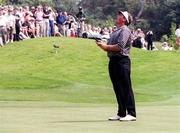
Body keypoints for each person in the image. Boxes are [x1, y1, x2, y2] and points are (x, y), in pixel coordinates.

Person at [96, 11, 136, 121]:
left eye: (120, 15)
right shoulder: (116, 31)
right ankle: (122, 112)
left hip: (122, 61)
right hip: (113, 61)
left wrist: (105, 47)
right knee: (118, 88)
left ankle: (131, 113)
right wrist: (103, 45)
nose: (117, 16)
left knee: (126, 87)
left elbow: (120, 47)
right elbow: (110, 46)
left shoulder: (125, 30)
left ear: (124, 19)